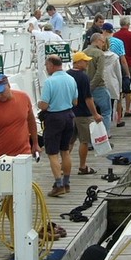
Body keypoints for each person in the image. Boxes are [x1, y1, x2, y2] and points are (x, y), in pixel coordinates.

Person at [0, 74, 41, 212]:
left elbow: (31, 121)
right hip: (2, 159)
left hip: (23, 154)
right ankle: (14, 225)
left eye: (2, 91)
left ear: (8, 85)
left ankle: (23, 226)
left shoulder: (23, 97)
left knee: (23, 192)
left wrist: (35, 143)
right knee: (7, 196)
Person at [38, 54, 78, 197]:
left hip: (54, 118)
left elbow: (44, 105)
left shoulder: (50, 82)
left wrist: (39, 104)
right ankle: (66, 183)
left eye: (47, 65)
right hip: (69, 116)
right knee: (65, 151)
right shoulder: (71, 79)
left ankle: (59, 184)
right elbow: (75, 102)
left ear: (51, 65)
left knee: (52, 153)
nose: (46, 68)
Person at [68, 51, 104, 175]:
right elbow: (88, 98)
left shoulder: (67, 75)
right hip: (83, 114)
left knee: (69, 141)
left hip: (70, 113)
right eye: (85, 61)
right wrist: (95, 114)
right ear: (77, 63)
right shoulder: (83, 77)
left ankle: (63, 166)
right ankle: (82, 166)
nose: (87, 63)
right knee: (84, 141)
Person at [84, 33, 112, 132]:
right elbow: (99, 73)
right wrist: (92, 86)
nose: (103, 44)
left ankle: (91, 140)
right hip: (99, 87)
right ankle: (105, 136)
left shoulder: (84, 52)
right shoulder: (99, 53)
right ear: (97, 40)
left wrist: (87, 87)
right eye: (103, 42)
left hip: (86, 88)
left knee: (90, 114)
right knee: (106, 112)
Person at [103, 22, 130, 125]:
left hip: (103, 74)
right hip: (115, 70)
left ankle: (107, 119)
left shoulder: (99, 41)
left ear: (103, 30)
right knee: (118, 96)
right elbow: (123, 60)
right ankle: (118, 119)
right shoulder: (118, 42)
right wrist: (127, 73)